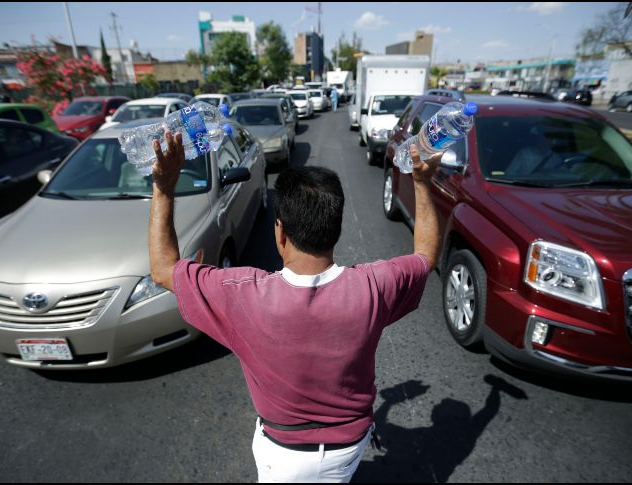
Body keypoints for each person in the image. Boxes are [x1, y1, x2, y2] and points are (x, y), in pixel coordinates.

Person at [147, 130, 443, 483]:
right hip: (348, 447)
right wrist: (422, 182)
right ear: (336, 228)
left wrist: (164, 187)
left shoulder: (240, 294)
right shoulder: (375, 286)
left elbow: (163, 269)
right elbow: (425, 255)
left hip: (283, 453)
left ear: (280, 233)